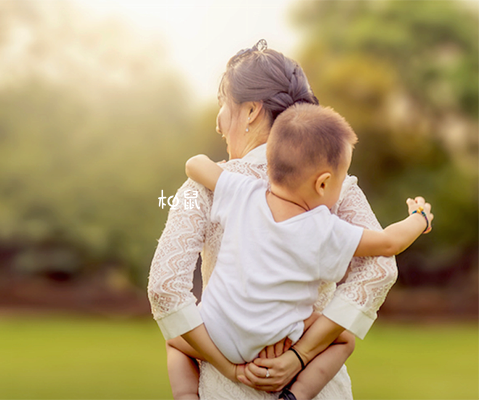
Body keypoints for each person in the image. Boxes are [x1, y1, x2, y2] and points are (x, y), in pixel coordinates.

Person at [148, 39, 400, 400]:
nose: (220, 123)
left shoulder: (206, 185)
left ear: (251, 110)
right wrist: (302, 353)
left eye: (223, 104)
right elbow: (381, 268)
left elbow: (164, 287)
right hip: (315, 388)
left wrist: (226, 365)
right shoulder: (332, 186)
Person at [165, 103, 433, 400]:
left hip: (220, 335)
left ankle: (186, 396)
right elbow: (388, 243)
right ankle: (296, 395)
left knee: (175, 340)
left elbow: (195, 165)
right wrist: (419, 218)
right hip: (279, 337)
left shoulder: (243, 192)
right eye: (341, 180)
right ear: (323, 183)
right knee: (343, 340)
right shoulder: (324, 230)